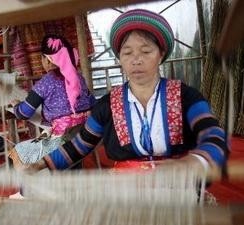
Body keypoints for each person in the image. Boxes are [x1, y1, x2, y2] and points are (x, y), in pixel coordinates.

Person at [29, 9, 228, 174]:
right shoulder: (107, 105)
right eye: (127, 52)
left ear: (161, 55)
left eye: (146, 51)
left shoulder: (187, 97)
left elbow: (213, 135)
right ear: (120, 59)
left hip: (178, 192)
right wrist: (37, 165)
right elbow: (80, 145)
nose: (136, 59)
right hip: (127, 195)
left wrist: (193, 163)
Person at [8, 34, 95, 170]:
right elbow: (92, 103)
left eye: (42, 58)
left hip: (63, 139)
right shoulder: (79, 78)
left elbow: (24, 113)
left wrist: (15, 105)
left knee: (20, 150)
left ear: (47, 60)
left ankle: (36, 187)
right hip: (86, 134)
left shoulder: (46, 82)